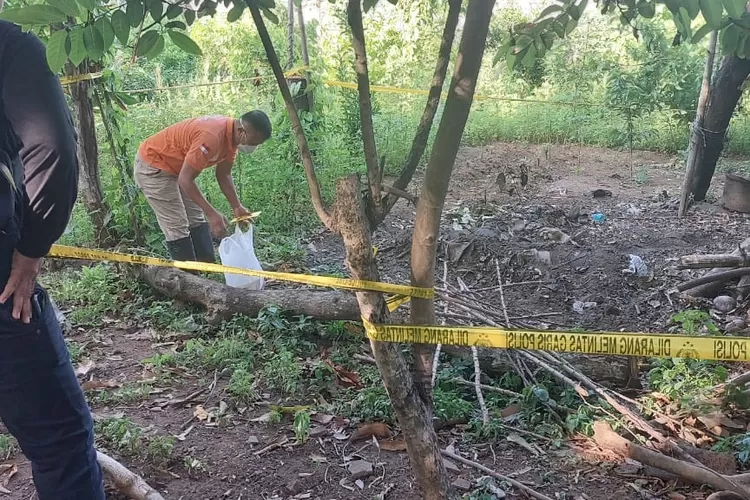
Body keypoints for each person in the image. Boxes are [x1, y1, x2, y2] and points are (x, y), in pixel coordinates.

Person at [0, 4, 106, 499]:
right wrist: (30, 252)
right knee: (61, 440)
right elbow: (53, 148)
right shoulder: (9, 45)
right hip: (3, 282)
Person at [134, 112, 271, 262]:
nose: (253, 147)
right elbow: (186, 180)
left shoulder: (232, 139)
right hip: (153, 165)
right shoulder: (211, 137)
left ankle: (208, 268)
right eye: (252, 142)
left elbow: (223, 174)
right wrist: (212, 214)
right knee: (177, 225)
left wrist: (236, 206)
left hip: (179, 168)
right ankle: (190, 280)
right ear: (241, 131)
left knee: (196, 218)